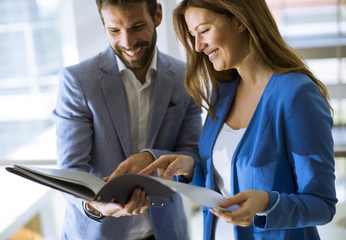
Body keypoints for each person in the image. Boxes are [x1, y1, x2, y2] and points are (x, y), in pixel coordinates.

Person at [140, 0, 338, 239]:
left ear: (239, 20)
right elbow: (225, 183)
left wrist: (266, 202)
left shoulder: (296, 94)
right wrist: (192, 169)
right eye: (193, 35)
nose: (198, 46)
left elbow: (322, 204)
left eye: (204, 31)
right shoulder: (223, 92)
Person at [53, 0, 202, 239]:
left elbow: (193, 154)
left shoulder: (185, 78)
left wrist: (150, 157)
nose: (127, 42)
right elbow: (71, 171)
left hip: (166, 231)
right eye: (114, 30)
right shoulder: (77, 81)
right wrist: (95, 205)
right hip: (97, 232)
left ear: (157, 15)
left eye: (136, 26)